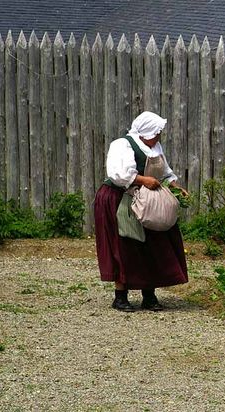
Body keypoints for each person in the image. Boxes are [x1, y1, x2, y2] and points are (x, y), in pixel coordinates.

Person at [94, 111, 189, 312]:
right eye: (156, 132)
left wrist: (174, 185)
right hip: (120, 199)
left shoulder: (155, 147)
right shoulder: (123, 145)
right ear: (146, 131)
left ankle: (149, 295)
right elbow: (119, 174)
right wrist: (143, 180)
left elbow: (164, 171)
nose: (158, 136)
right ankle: (120, 297)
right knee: (125, 245)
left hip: (148, 201)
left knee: (154, 243)